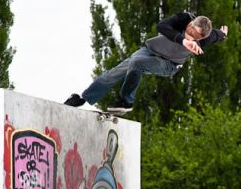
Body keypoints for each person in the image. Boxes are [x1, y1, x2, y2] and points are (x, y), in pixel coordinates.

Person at [64, 11, 228, 113]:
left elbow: (217, 35)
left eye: (198, 37)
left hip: (169, 64)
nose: (194, 37)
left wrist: (222, 34)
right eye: (193, 32)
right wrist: (182, 40)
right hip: (150, 50)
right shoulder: (182, 19)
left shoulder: (205, 38)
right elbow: (161, 26)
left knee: (138, 64)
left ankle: (126, 101)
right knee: (117, 71)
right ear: (191, 24)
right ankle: (84, 98)